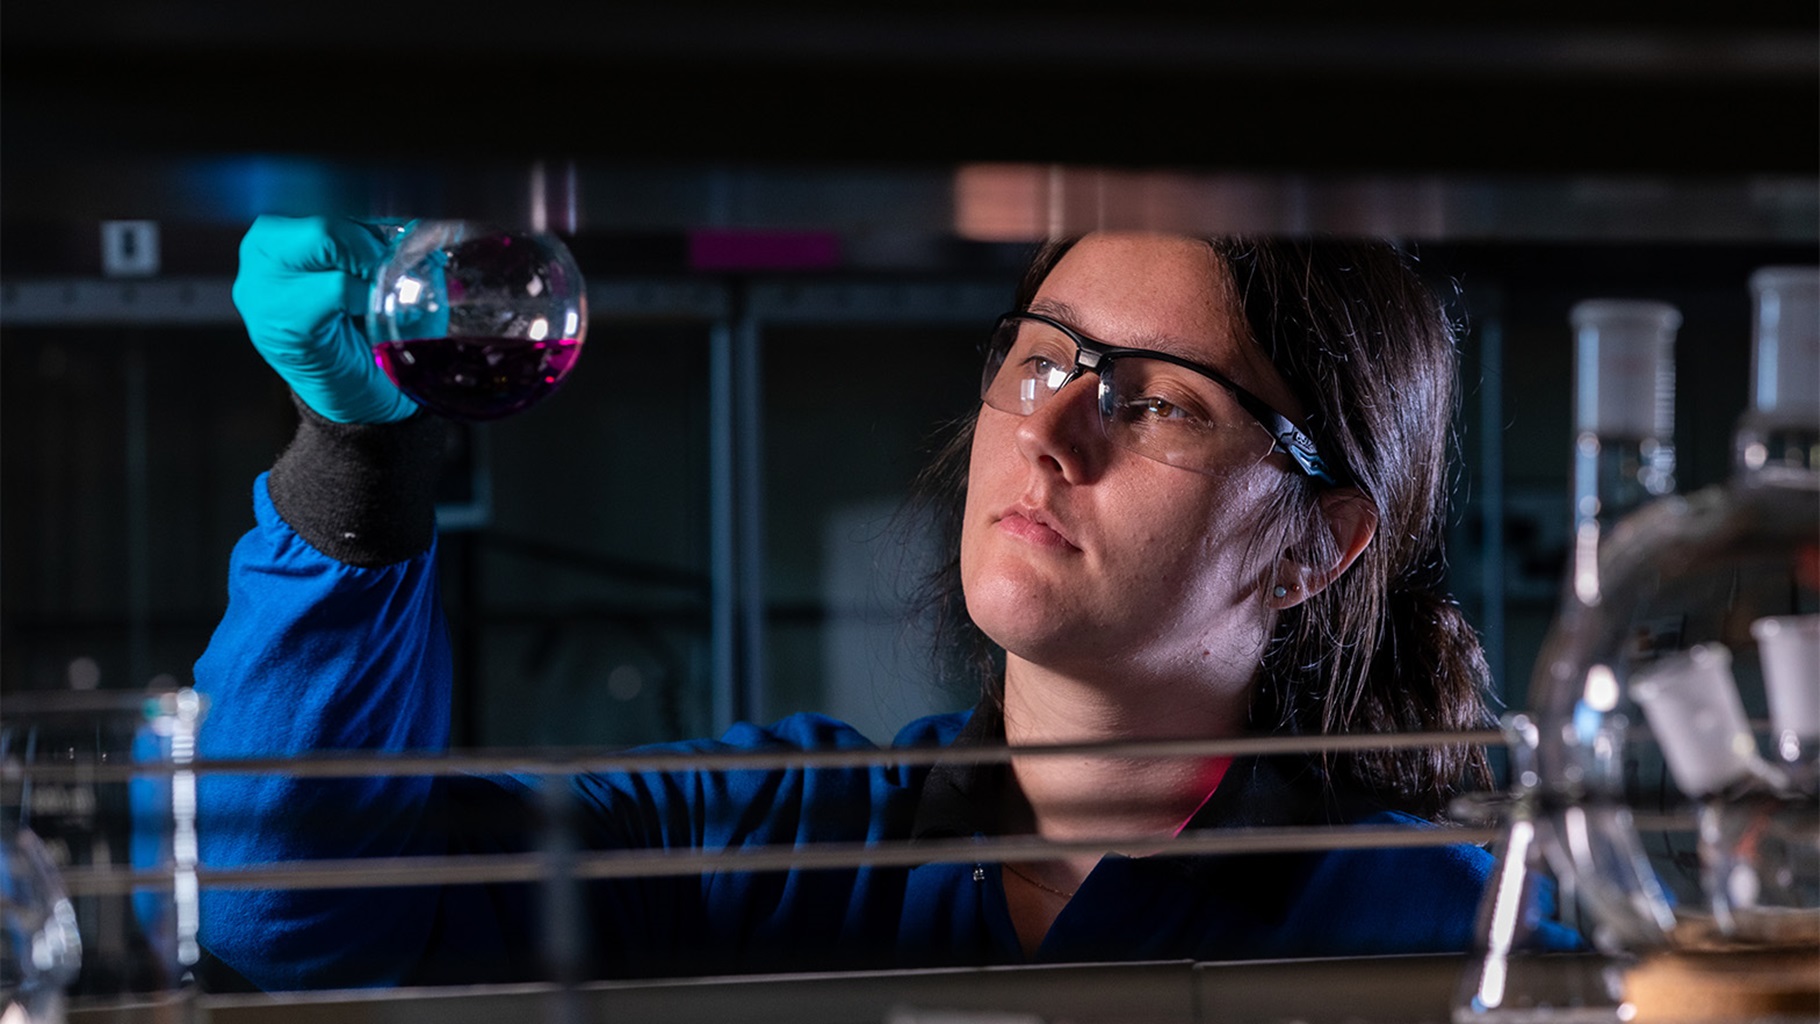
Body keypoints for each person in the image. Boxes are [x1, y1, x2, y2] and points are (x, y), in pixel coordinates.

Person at [193, 217, 1555, 993]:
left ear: (1316, 544)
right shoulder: (772, 845)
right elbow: (301, 916)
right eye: (1040, 360)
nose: (1053, 430)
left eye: (1154, 401)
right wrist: (353, 452)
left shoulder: (1436, 922)